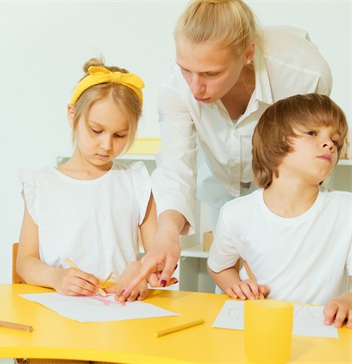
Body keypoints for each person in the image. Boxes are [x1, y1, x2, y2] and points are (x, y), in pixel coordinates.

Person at [123, 0, 333, 295]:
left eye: (211, 74)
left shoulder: (303, 73)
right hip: (221, 180)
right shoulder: (175, 85)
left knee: (289, 277)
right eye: (186, 69)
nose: (195, 88)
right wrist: (167, 233)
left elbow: (308, 151)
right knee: (233, 285)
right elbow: (175, 164)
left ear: (248, 52)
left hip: (288, 182)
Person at [16, 57, 169, 306]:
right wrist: (56, 277)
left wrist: (140, 269)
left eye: (120, 135)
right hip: (60, 314)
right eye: (96, 131)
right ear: (72, 115)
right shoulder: (41, 185)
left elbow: (158, 255)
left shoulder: (135, 182)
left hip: (122, 313)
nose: (107, 145)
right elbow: (25, 262)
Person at [208, 93, 351, 328]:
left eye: (335, 141)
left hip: (321, 334)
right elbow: (220, 266)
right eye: (312, 133)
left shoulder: (346, 210)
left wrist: (348, 299)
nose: (329, 144)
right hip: (257, 328)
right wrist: (235, 285)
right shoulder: (236, 214)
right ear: (275, 141)